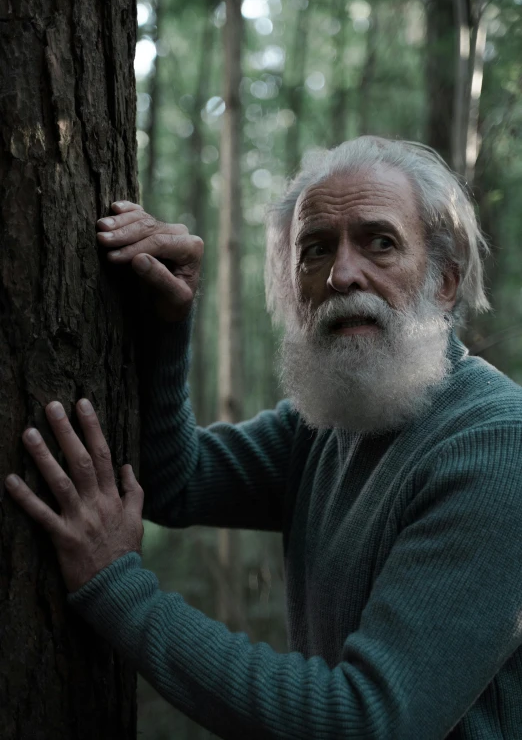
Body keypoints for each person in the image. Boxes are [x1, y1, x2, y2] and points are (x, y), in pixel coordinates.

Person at [5, 136, 522, 739]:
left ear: (444, 282)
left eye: (380, 243)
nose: (342, 274)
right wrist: (166, 326)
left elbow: (367, 722)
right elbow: (176, 481)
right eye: (315, 249)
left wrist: (118, 588)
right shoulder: (329, 424)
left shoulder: (496, 448)